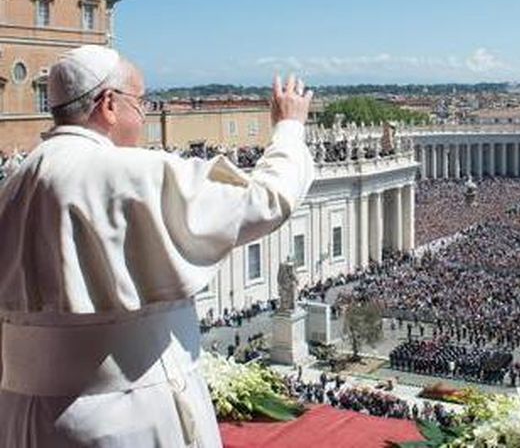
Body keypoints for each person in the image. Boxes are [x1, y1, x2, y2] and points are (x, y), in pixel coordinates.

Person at [0, 45, 315, 448]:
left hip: (21, 419)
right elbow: (265, 201)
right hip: (126, 417)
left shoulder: (14, 183)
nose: (144, 114)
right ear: (109, 104)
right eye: (141, 102)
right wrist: (289, 127)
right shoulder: (132, 172)